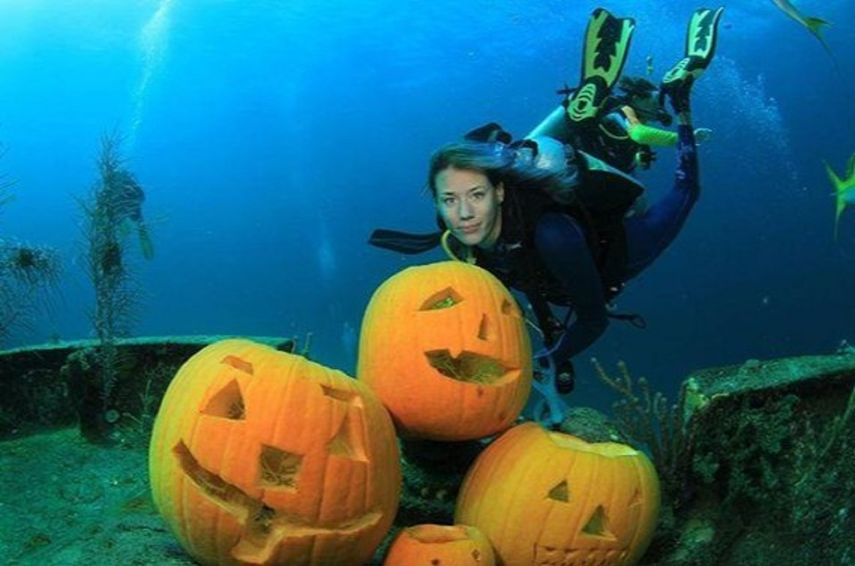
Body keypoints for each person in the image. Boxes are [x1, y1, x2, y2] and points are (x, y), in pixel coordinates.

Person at [369, 7, 724, 394]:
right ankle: (579, 112)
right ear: (437, 203)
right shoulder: (457, 241)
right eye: (449, 200)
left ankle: (680, 99)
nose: (464, 214)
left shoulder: (554, 235)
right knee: (551, 153)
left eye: (476, 195)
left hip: (617, 251)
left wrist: (543, 362)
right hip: (561, 199)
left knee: (686, 192)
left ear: (499, 192)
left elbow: (593, 320)